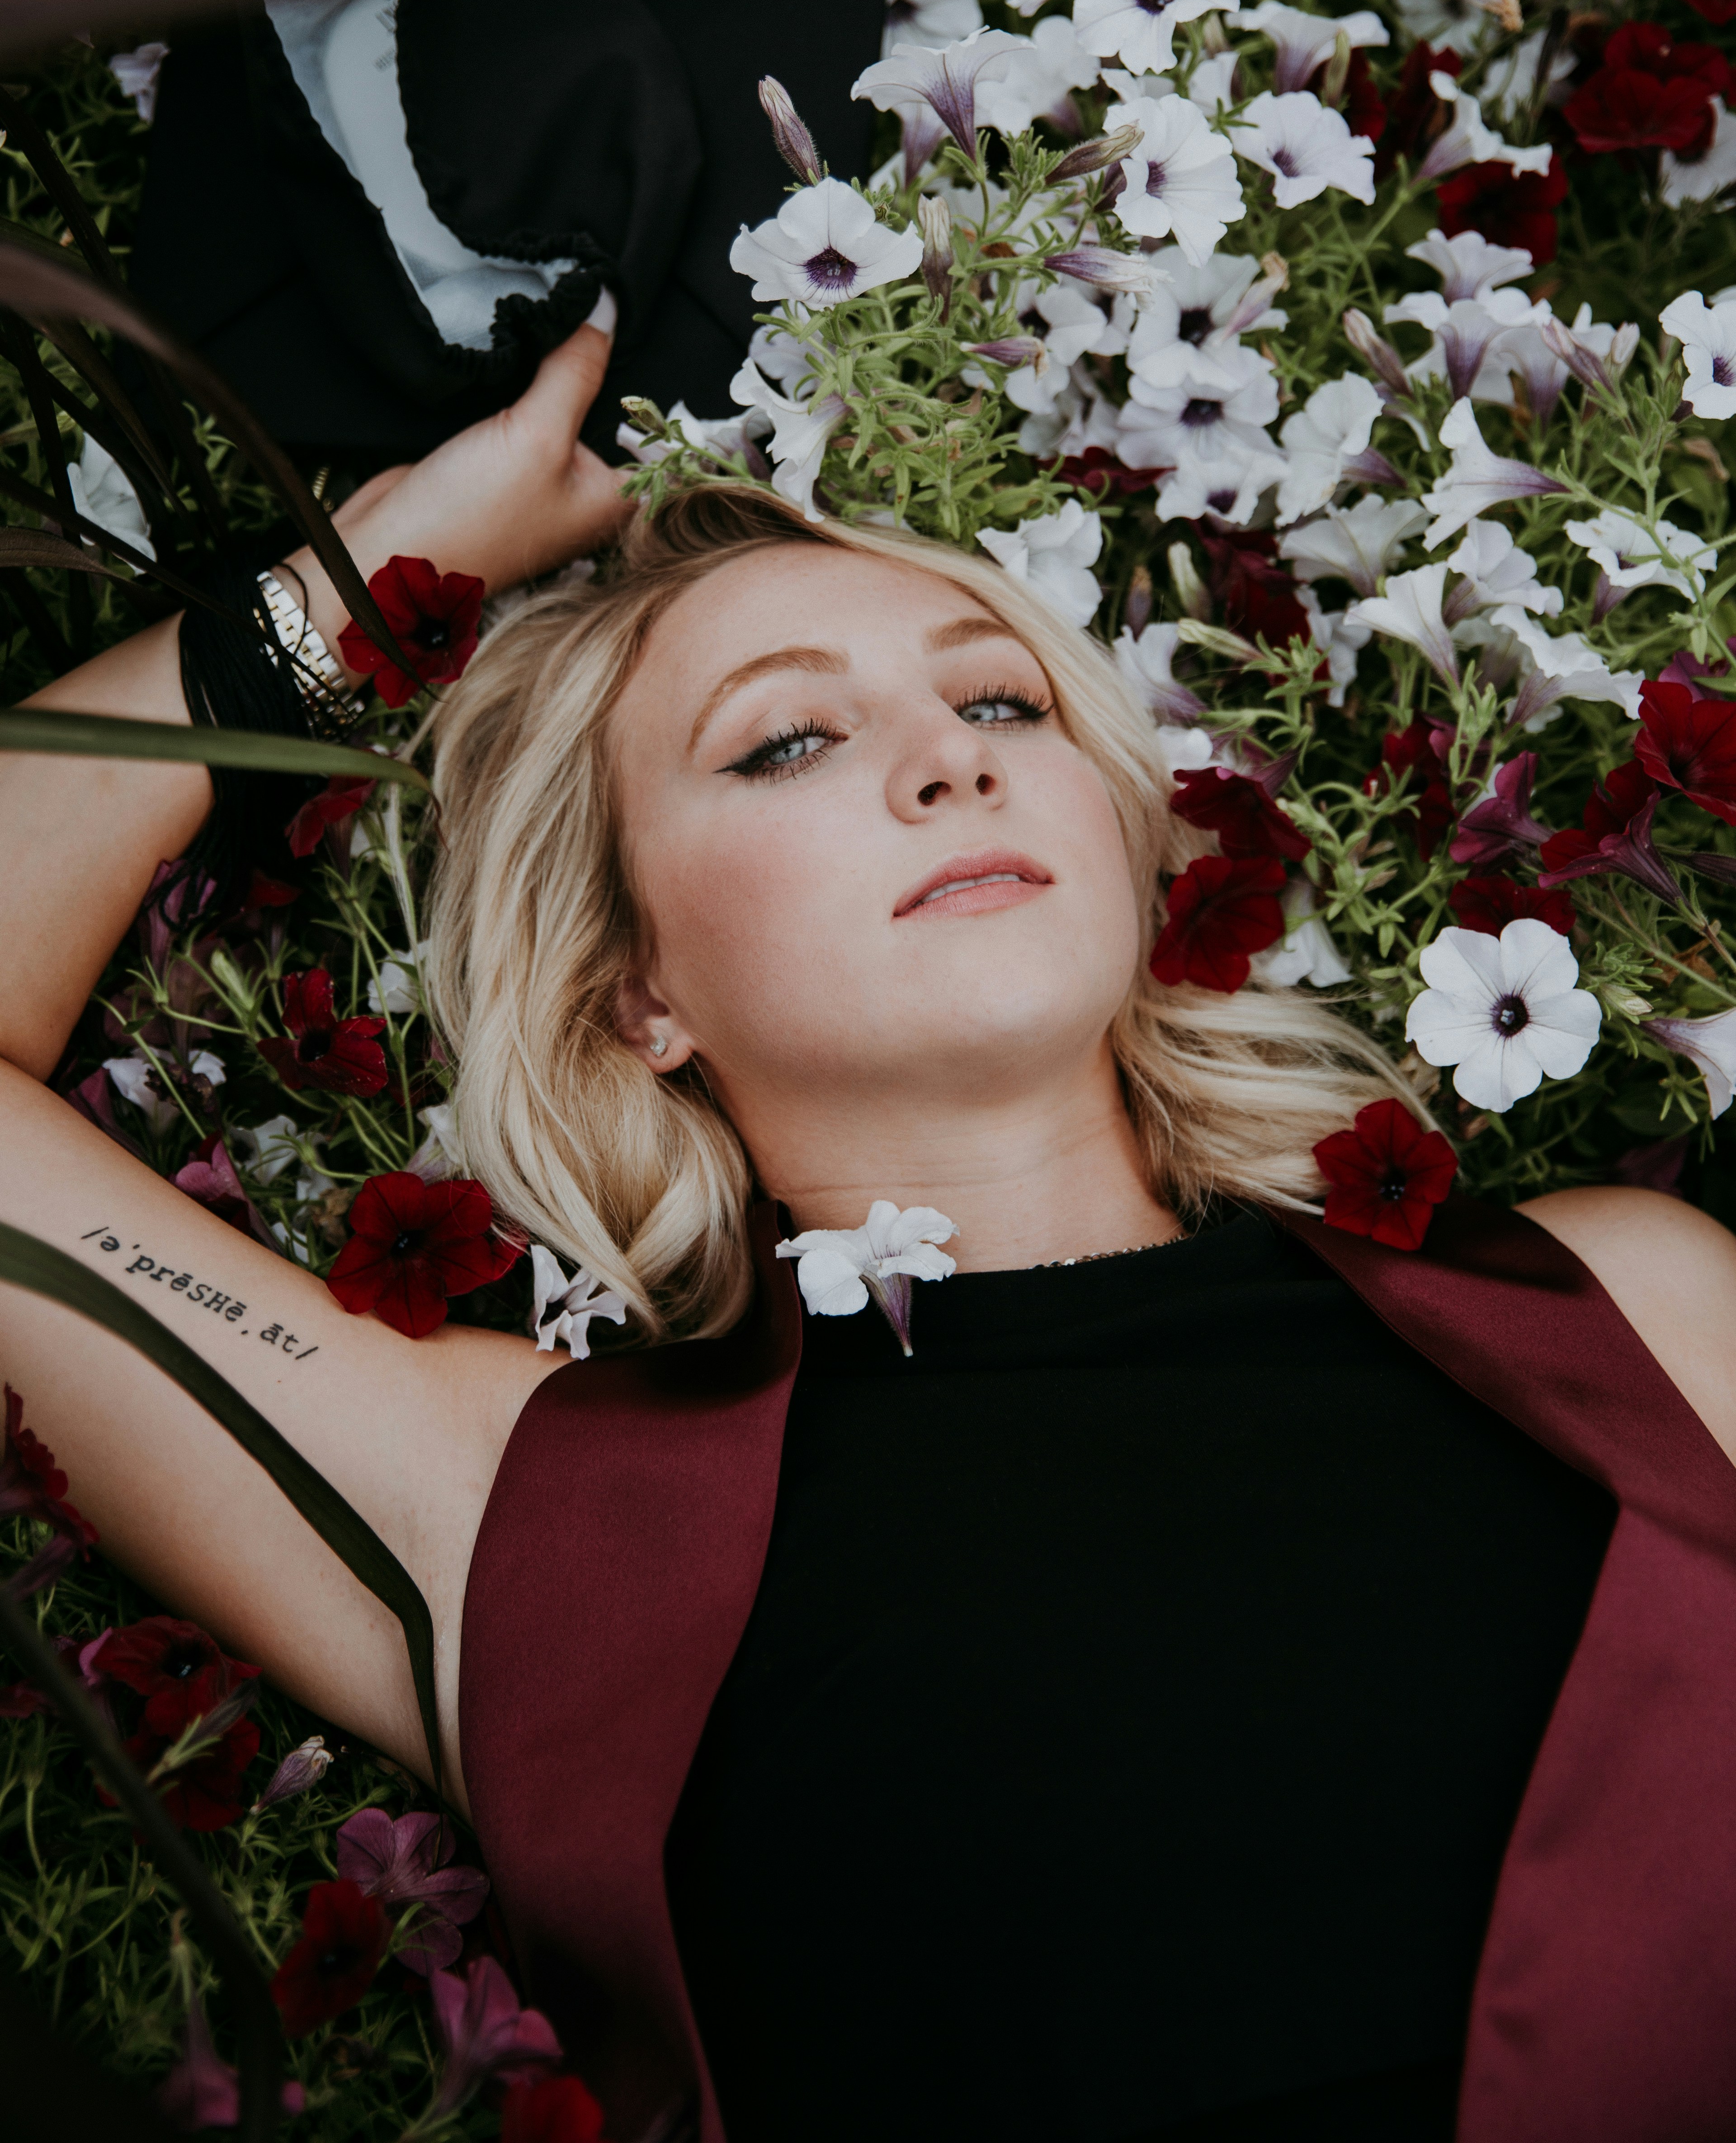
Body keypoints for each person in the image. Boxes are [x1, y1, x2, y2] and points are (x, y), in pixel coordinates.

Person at [1, 320, 1734, 2143]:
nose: (947, 764)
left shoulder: (1632, 1311)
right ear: (634, 991)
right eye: (787, 741)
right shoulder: (532, 1525)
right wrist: (372, 583)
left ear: (1132, 840)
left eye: (1002, 703)